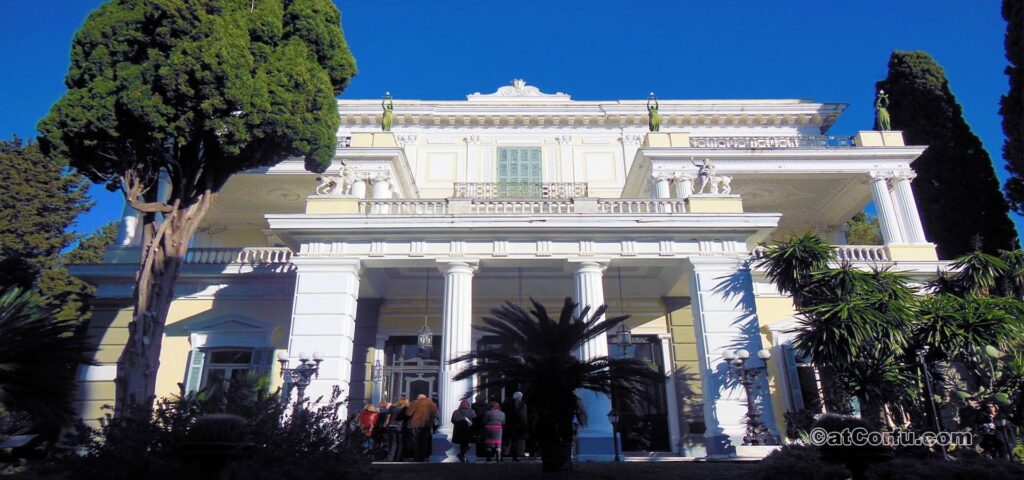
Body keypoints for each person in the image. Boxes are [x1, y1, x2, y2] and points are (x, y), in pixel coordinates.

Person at [405, 394, 440, 462]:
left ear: (419, 398)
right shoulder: (432, 403)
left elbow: (408, 413)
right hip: (427, 424)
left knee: (416, 441)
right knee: (425, 441)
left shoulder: (415, 402)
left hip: (416, 424)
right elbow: (437, 414)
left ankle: (416, 457)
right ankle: (423, 457)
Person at [502, 391, 528, 461]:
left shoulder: (506, 403)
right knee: (521, 439)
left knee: (509, 439)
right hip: (520, 423)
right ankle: (520, 453)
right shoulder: (522, 404)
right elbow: (524, 415)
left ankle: (506, 452)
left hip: (509, 423)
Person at [391, 396, 411, 461]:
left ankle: (392, 458)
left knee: (394, 442)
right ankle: (398, 458)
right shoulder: (405, 409)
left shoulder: (393, 408)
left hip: (392, 426)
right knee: (401, 443)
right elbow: (405, 417)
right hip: (400, 427)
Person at [471, 395, 489, 460]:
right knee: (484, 438)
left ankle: (478, 452)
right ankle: (483, 452)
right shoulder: (486, 405)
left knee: (477, 438)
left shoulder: (474, 405)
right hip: (484, 423)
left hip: (476, 423)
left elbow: (473, 414)